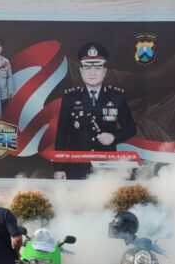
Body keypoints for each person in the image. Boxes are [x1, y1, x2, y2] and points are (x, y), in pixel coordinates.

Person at [54, 42, 136, 179]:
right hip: (76, 166)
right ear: (81, 71)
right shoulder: (70, 97)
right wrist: (59, 168)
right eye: (87, 68)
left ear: (104, 71)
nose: (92, 72)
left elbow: (131, 128)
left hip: (107, 166)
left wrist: (114, 137)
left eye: (97, 68)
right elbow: (62, 134)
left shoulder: (116, 97)